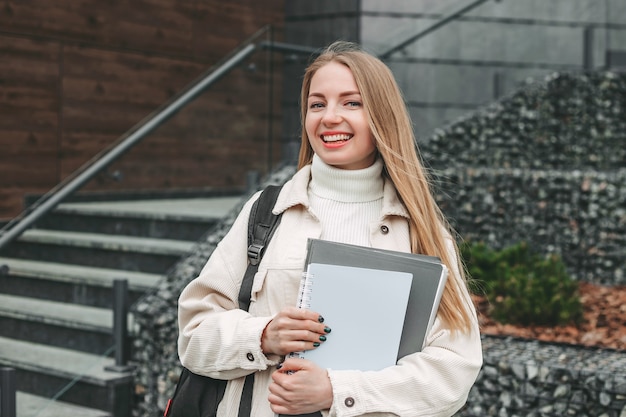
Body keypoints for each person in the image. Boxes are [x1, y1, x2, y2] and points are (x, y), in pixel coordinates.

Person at [177, 40, 482, 417]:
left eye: (351, 103)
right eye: (317, 104)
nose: (330, 117)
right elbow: (193, 335)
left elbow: (454, 370)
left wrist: (338, 393)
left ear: (383, 116)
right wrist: (263, 335)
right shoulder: (266, 211)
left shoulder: (421, 229)